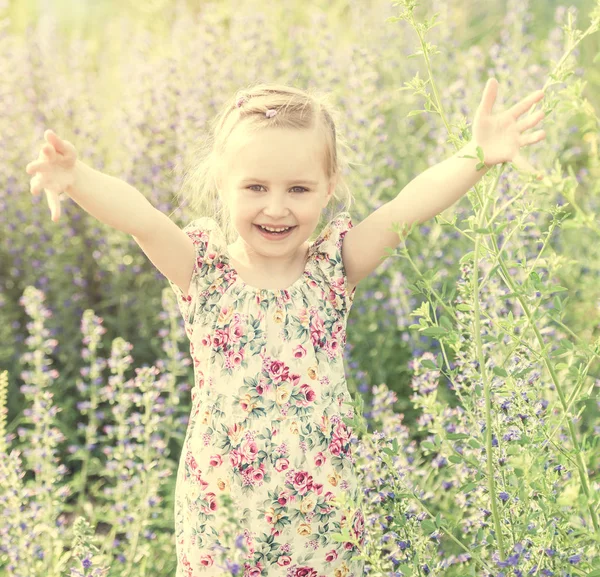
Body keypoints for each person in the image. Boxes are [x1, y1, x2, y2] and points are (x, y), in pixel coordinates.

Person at [25, 80, 545, 577]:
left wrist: (476, 156)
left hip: (323, 511)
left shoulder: (333, 267)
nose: (277, 207)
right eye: (255, 187)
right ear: (222, 185)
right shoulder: (200, 269)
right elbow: (141, 218)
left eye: (299, 188)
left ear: (330, 187)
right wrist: (78, 179)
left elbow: (404, 208)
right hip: (220, 511)